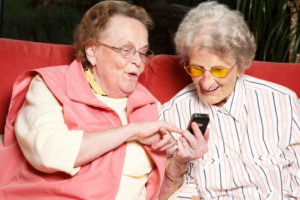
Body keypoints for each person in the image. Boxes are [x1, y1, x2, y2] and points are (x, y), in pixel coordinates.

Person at [0, 1, 183, 199]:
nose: (138, 62)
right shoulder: (51, 86)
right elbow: (49, 152)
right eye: (126, 50)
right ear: (92, 52)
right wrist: (132, 131)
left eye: (143, 52)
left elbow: (159, 192)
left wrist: (179, 165)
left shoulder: (150, 105)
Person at [158, 1, 300, 199]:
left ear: (240, 64)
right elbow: (160, 195)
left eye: (218, 70)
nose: (206, 83)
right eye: (197, 69)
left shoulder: (282, 101)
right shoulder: (172, 113)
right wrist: (180, 162)